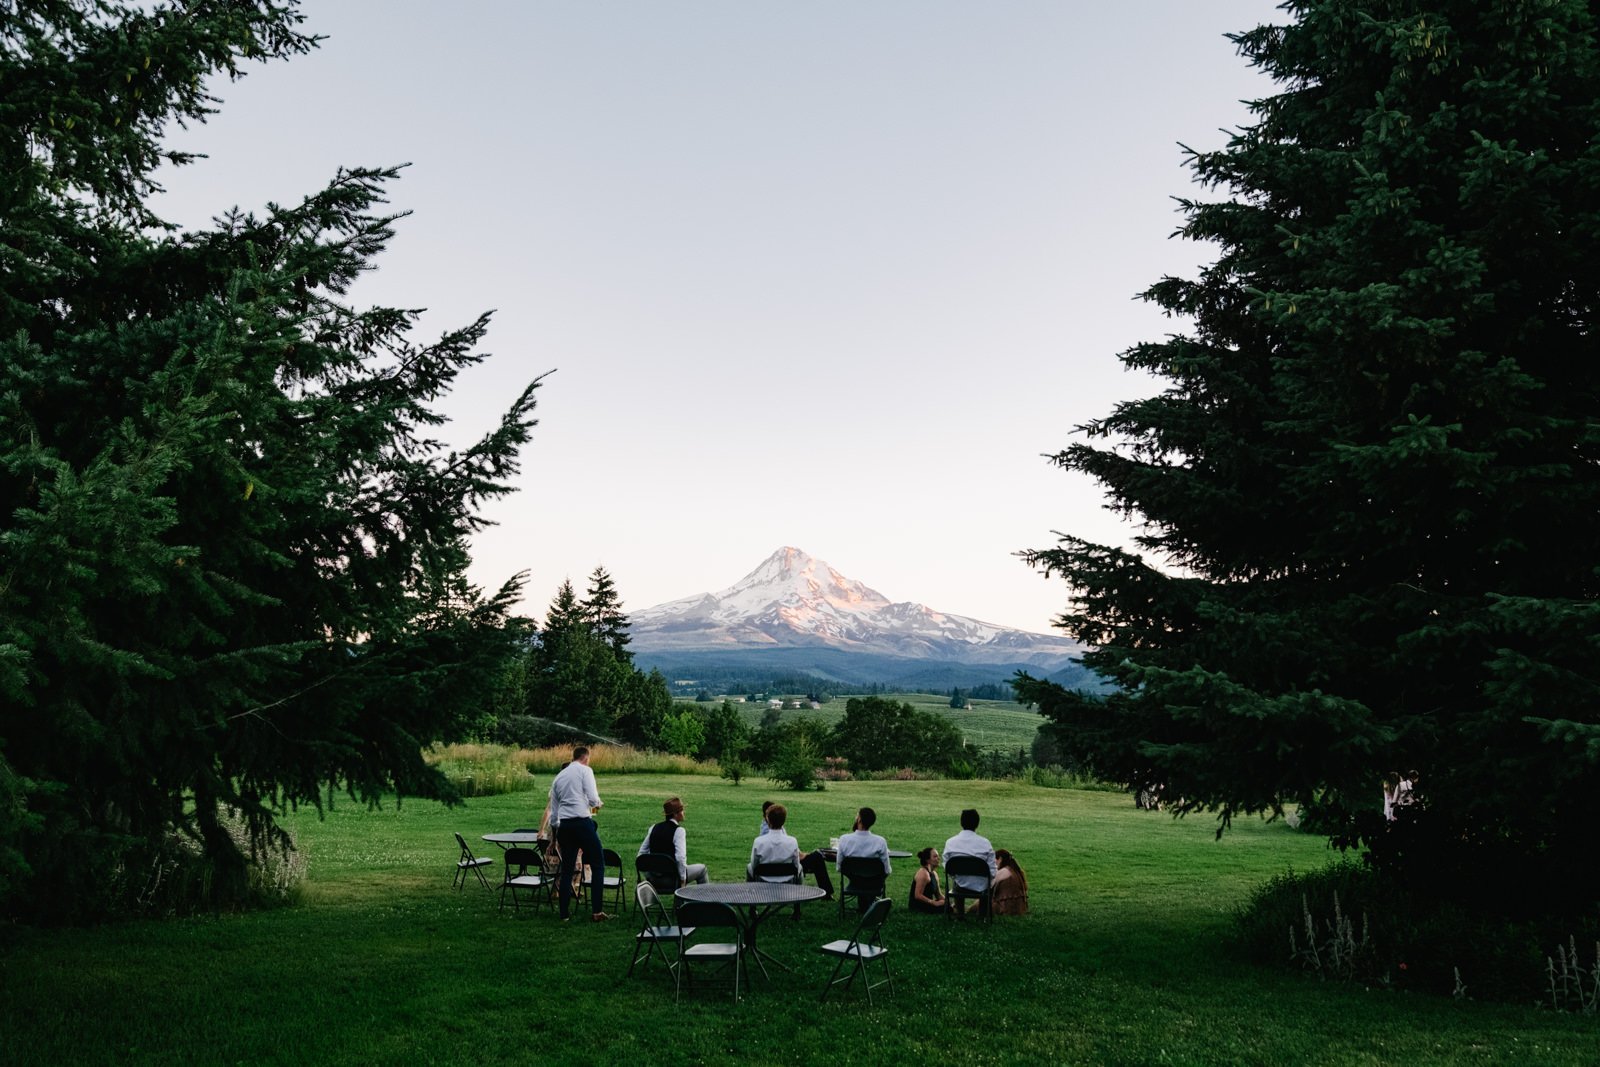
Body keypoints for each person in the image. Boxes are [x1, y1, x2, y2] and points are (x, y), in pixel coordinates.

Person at [548, 746, 611, 922]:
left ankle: (564, 914)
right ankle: (597, 911)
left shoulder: (559, 777)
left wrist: (555, 836)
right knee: (598, 863)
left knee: (567, 869)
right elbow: (593, 798)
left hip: (565, 826)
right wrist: (598, 803)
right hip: (582, 824)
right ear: (586, 758)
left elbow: (554, 814)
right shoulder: (585, 771)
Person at [637, 795, 708, 886]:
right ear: (675, 814)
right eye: (682, 810)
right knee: (702, 869)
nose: (684, 812)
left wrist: (649, 876)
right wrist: (682, 880)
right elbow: (680, 858)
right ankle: (704, 895)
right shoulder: (679, 831)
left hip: (653, 879)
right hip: (672, 880)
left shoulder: (653, 828)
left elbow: (641, 856)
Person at [943, 808, 998, 919]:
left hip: (960, 885)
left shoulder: (950, 842)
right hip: (982, 887)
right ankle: (982, 915)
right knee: (990, 883)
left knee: (957, 882)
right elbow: (992, 871)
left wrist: (957, 875)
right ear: (977, 824)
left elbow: (947, 867)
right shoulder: (985, 843)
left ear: (961, 823)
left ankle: (960, 913)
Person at [835, 806, 891, 912]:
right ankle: (868, 905)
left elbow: (839, 867)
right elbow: (886, 870)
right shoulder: (880, 841)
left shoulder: (844, 839)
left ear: (859, 819)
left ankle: (865, 904)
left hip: (854, 881)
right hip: (874, 882)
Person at [908, 847, 945, 915]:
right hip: (919, 906)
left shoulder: (934, 874)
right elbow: (918, 895)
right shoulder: (923, 873)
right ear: (928, 860)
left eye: (938, 856)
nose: (938, 858)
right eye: (935, 856)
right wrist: (934, 902)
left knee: (948, 905)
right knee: (948, 909)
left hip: (928, 903)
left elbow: (939, 895)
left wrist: (947, 901)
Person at [992, 848, 1029, 916]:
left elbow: (990, 886)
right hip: (1019, 907)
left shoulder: (1004, 871)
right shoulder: (1014, 870)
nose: (994, 864)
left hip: (1006, 907)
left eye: (994, 861)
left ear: (1000, 859)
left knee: (979, 905)